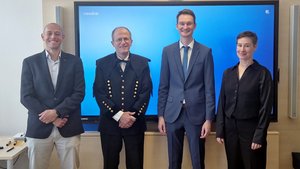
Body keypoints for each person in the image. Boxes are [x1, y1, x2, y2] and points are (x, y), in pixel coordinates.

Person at [20, 23, 85, 169]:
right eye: (49, 33)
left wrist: (56, 112)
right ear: (43, 37)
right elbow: (26, 96)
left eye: (57, 33)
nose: (53, 37)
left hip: (68, 126)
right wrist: (53, 118)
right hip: (38, 127)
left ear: (63, 37)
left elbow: (79, 93)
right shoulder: (30, 62)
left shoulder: (75, 61)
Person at [158, 9, 215, 169]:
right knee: (173, 162)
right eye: (182, 23)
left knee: (198, 162)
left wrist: (209, 119)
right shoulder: (167, 51)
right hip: (172, 114)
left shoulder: (205, 52)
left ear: (195, 26)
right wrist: (161, 116)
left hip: (196, 115)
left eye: (189, 23)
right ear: (177, 26)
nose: (185, 26)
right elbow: (163, 86)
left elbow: (210, 88)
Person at [93, 26, 152, 169]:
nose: (123, 42)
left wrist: (131, 116)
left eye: (126, 39)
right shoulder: (101, 63)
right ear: (112, 43)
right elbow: (99, 93)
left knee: (136, 165)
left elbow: (146, 92)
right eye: (119, 39)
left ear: (131, 41)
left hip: (134, 123)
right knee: (110, 164)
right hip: (109, 124)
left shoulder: (142, 63)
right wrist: (119, 116)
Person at [215, 31, 273, 169]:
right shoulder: (228, 73)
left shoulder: (262, 73)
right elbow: (222, 103)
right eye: (239, 45)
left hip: (252, 130)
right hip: (230, 130)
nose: (242, 49)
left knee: (253, 165)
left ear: (254, 47)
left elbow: (265, 107)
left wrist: (259, 135)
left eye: (246, 46)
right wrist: (220, 130)